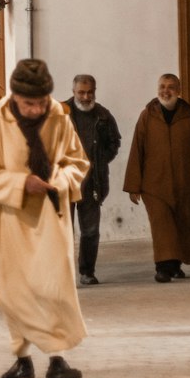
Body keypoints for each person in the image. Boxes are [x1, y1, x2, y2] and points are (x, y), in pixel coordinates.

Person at [0, 59, 90, 378]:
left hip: (49, 215)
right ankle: (23, 360)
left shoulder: (59, 116)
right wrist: (23, 184)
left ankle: (57, 360)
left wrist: (60, 180)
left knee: (51, 287)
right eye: (29, 104)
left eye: (41, 102)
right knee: (13, 291)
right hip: (8, 217)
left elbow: (76, 161)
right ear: (14, 98)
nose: (37, 110)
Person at [123, 73, 190, 283]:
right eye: (162, 86)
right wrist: (133, 185)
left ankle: (175, 265)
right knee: (162, 226)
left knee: (183, 224)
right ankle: (162, 268)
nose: (166, 90)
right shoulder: (147, 115)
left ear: (179, 91)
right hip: (154, 185)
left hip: (186, 182)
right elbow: (137, 150)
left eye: (171, 87)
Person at [62, 74, 121, 286]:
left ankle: (87, 272)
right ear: (73, 91)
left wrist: (98, 161)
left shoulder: (103, 116)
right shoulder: (59, 114)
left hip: (92, 184)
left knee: (90, 231)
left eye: (90, 92)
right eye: (81, 92)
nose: (86, 97)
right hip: (63, 185)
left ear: (94, 91)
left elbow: (114, 143)